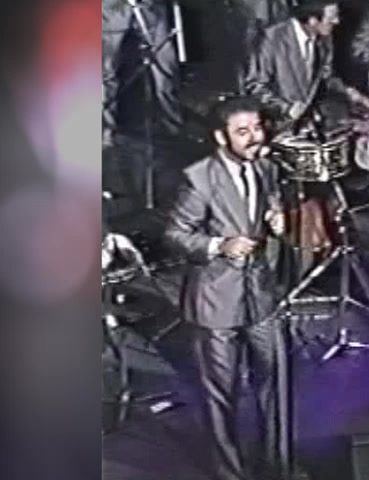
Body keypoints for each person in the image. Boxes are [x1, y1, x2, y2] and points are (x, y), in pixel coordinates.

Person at [164, 96, 294, 480]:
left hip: (261, 294)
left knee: (276, 383)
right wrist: (219, 245)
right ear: (221, 138)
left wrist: (275, 217)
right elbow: (175, 235)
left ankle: (279, 467)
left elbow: (268, 203)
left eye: (257, 127)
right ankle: (230, 473)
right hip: (216, 301)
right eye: (243, 132)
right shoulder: (200, 179)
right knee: (222, 394)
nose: (255, 137)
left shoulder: (266, 168)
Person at [243, 0, 369, 134]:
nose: (337, 21)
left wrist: (351, 93)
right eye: (331, 18)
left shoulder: (325, 39)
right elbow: (255, 87)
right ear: (312, 20)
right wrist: (286, 109)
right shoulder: (272, 39)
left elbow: (327, 77)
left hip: (308, 128)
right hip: (277, 130)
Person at [102, 0, 183, 146]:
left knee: (165, 68)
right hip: (108, 12)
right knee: (105, 75)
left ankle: (173, 126)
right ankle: (107, 132)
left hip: (151, 9)